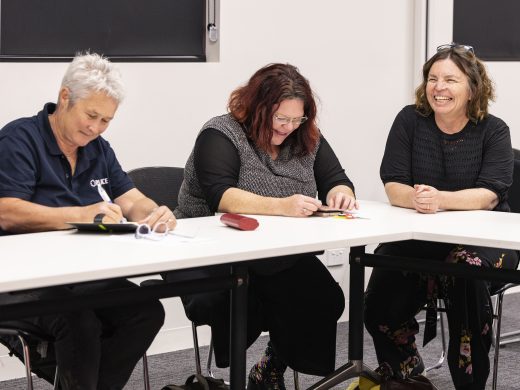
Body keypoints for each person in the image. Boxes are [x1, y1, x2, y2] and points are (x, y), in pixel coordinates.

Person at [170, 63, 355, 389]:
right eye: (281, 118)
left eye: (297, 119)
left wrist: (341, 193)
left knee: (325, 298)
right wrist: (282, 207)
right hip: (209, 250)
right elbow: (221, 197)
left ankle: (269, 368)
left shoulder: (305, 137)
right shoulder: (221, 133)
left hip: (272, 250)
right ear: (257, 108)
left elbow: (336, 180)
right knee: (245, 302)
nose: (288, 127)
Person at [0, 53, 176, 389]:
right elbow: (7, 212)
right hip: (23, 280)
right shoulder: (19, 140)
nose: (95, 128)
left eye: (106, 120)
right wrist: (79, 215)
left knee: (145, 311)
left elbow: (132, 200)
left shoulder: (98, 148)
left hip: (82, 272)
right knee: (79, 321)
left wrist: (155, 212)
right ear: (65, 97)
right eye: (91, 115)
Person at [364, 43, 519, 390]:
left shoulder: (494, 130)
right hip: (422, 236)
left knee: (463, 270)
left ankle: (470, 381)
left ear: (473, 88)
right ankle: (405, 373)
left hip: (485, 241)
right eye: (433, 79)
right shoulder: (409, 120)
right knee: (380, 296)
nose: (439, 88)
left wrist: (439, 200)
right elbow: (393, 183)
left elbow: (489, 194)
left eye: (450, 79)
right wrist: (418, 199)